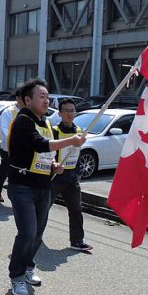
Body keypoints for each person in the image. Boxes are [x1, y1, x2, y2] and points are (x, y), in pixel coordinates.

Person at [7, 79, 86, 295]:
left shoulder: (46, 123)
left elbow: (44, 153)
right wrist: (71, 141)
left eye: (47, 96)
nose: (46, 100)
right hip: (22, 185)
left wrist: (53, 164)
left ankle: (28, 266)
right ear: (27, 99)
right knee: (28, 231)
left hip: (44, 185)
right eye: (41, 96)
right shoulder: (23, 120)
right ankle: (16, 276)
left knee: (38, 232)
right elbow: (38, 144)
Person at [51, 99, 93, 252]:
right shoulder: (54, 130)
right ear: (60, 113)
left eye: (72, 111)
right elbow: (47, 153)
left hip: (72, 176)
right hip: (55, 176)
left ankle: (77, 241)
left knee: (76, 209)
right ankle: (33, 236)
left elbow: (78, 152)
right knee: (43, 208)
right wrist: (52, 166)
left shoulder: (79, 130)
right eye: (66, 111)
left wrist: (79, 172)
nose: (70, 114)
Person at [0, 88, 24, 203]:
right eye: (23, 97)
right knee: (4, 171)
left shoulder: (29, 111)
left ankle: (17, 195)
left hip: (24, 150)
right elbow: (4, 130)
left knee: (19, 172)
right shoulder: (8, 112)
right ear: (17, 98)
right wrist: (15, 143)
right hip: (8, 149)